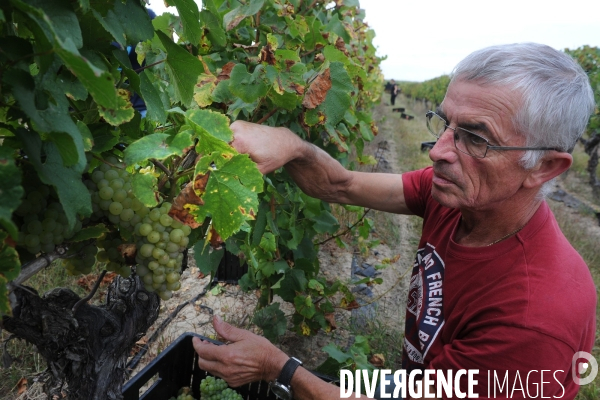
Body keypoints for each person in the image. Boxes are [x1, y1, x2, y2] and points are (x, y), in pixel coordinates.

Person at [192, 43, 597, 400]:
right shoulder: (458, 197)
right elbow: (342, 185)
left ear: (544, 167)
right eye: (445, 124)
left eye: (475, 138)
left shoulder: (533, 321)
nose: (438, 151)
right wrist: (294, 146)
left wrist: (279, 368)